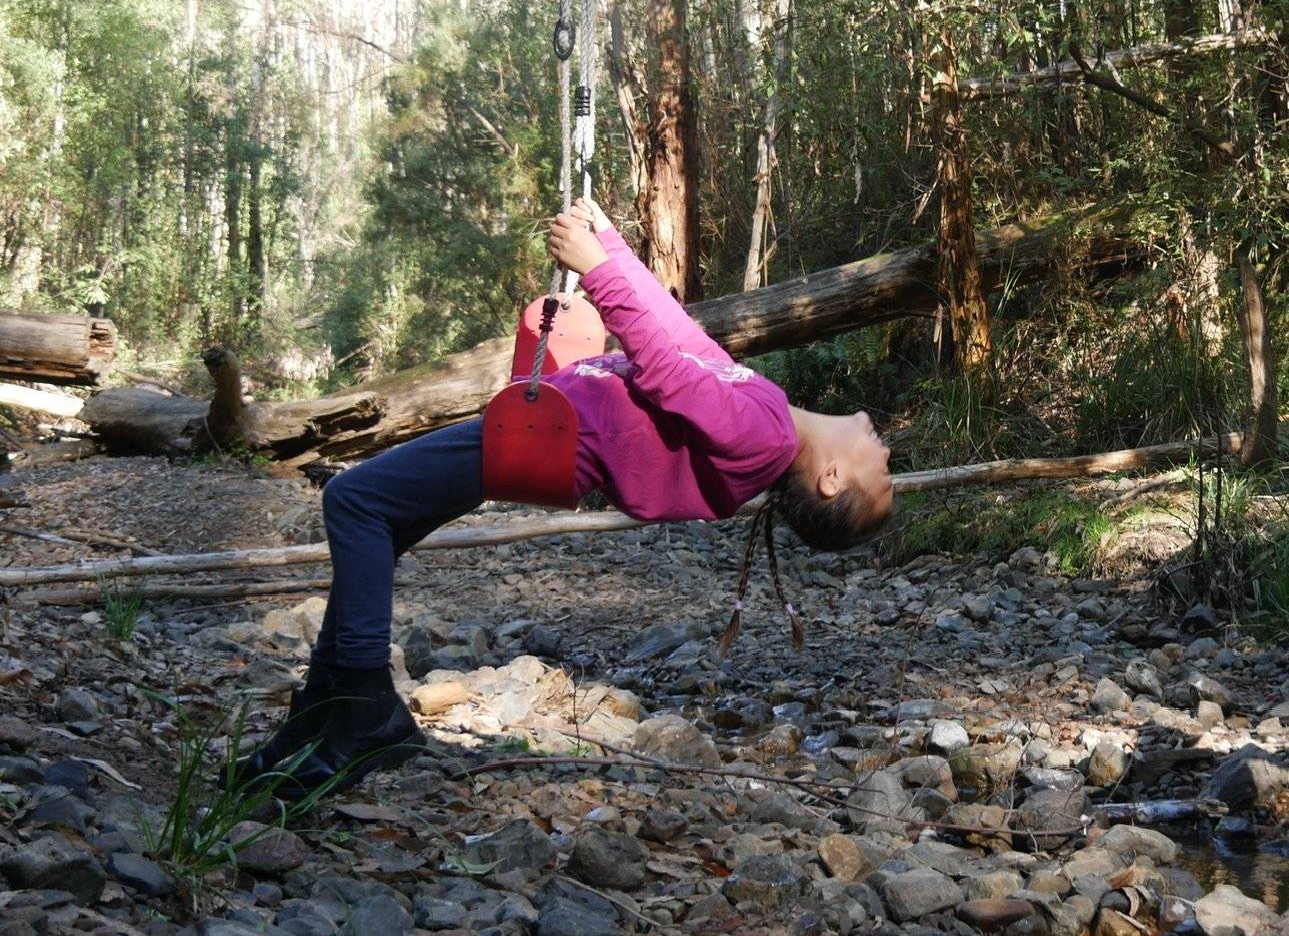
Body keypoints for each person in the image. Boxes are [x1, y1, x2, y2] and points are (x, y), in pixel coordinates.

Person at [233, 198, 895, 799]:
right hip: (554, 428)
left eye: (882, 474)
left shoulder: (763, 437)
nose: (888, 454)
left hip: (551, 439)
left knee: (355, 501)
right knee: (379, 528)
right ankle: (317, 724)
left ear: (832, 478)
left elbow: (665, 371)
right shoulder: (770, 411)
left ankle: (364, 705)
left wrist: (599, 275)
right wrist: (610, 245)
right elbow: (683, 337)